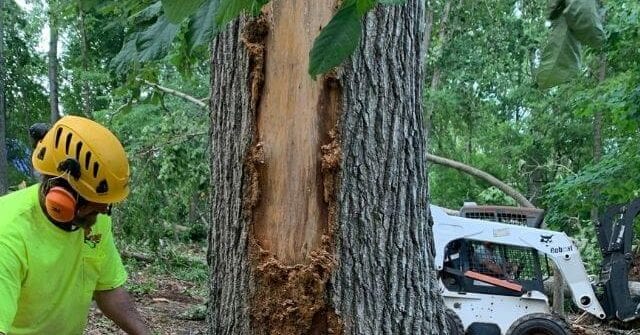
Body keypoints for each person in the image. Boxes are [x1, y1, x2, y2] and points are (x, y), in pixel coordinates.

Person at [0, 116, 150, 335]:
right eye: (93, 204)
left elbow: (108, 288)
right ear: (59, 193)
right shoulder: (7, 233)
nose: (101, 212)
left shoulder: (93, 219)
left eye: (105, 205)